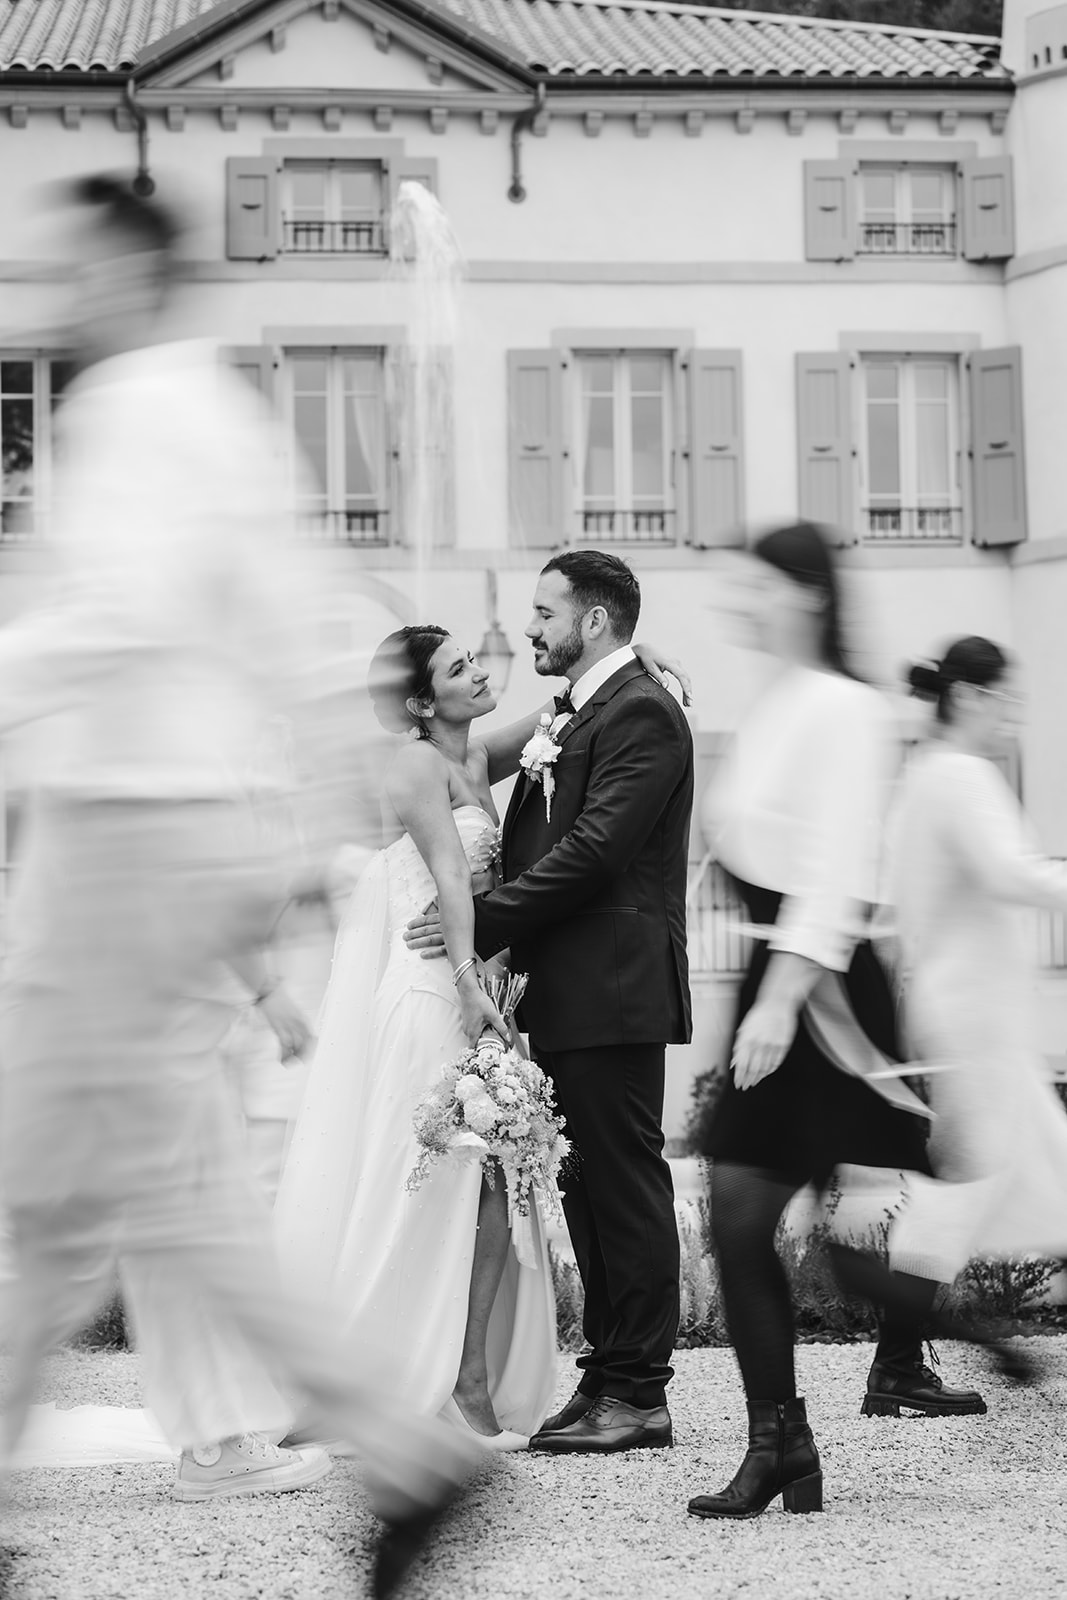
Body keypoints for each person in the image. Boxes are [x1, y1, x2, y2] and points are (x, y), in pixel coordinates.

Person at [0, 173, 480, 1596]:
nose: (57, 294)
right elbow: (299, 630)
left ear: (129, 272)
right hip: (182, 831)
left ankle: (404, 1450)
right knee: (109, 1195)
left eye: (73, 268)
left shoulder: (129, 412)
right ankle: (404, 1450)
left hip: (119, 835)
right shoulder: (222, 414)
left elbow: (125, 615)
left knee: (61, 1190)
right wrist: (293, 831)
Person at [275, 623, 688, 1452]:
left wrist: (632, 656)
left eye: (471, 659)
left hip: (478, 994)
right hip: (434, 993)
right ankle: (366, 1379)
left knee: (496, 1181)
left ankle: (465, 1376)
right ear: (421, 703)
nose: (477, 672)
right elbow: (450, 878)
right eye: (458, 668)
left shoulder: (474, 753)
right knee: (422, 1182)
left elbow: (565, 707)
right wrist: (469, 983)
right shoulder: (416, 766)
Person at [686, 523, 983, 1526]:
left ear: (809, 594)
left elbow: (839, 868)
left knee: (746, 1216)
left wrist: (778, 1000)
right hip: (775, 972)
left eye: (760, 586)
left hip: (817, 988)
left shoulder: (848, 708)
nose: (743, 603)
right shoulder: (777, 700)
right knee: (754, 1220)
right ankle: (783, 1439)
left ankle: (788, 1437)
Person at [408, 550, 694, 1455]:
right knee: (584, 1186)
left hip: (614, 983)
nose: (528, 628)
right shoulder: (581, 706)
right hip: (568, 984)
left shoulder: (640, 711)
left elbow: (597, 850)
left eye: (543, 612)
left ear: (594, 621)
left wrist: (478, 918)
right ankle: (606, 1374)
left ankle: (640, 1392)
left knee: (623, 1184)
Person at [831, 637, 1067, 1387]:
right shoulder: (961, 775)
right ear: (968, 697)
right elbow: (1009, 874)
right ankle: (897, 1359)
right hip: (977, 1022)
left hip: (957, 1012)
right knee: (966, 1188)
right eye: (1004, 700)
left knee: (997, 1181)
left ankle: (898, 1361)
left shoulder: (923, 777)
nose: (1011, 718)